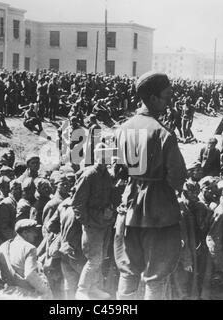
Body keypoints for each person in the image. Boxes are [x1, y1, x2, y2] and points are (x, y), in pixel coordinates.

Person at [114, 72, 187, 300]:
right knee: (156, 275)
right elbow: (178, 176)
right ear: (153, 99)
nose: (169, 102)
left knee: (128, 271)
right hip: (159, 211)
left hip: (129, 208)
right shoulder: (164, 134)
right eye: (166, 97)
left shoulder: (123, 129)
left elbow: (118, 170)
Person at [72, 144, 115, 300]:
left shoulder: (108, 176)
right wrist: (87, 222)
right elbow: (77, 203)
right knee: (94, 259)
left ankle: (94, 288)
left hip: (105, 222)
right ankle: (82, 290)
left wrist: (110, 212)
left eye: (108, 156)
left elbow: (111, 197)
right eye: (103, 156)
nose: (106, 159)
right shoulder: (89, 175)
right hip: (92, 224)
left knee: (101, 257)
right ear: (97, 157)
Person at [0, 219, 52, 299]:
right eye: (33, 231)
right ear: (25, 233)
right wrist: (45, 290)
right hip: (26, 294)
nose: (36, 235)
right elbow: (30, 275)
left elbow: (1, 275)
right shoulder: (29, 248)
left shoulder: (3, 246)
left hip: (9, 290)